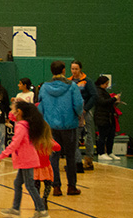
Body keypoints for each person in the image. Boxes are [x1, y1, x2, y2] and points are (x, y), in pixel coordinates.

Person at [0, 101, 53, 218]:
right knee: (18, 183)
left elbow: (15, 143)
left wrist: (2, 155)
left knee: (29, 185)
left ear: (20, 112)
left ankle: (42, 211)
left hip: (26, 160)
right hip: (24, 160)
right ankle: (15, 209)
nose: (12, 112)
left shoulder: (21, 126)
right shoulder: (24, 123)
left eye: (14, 110)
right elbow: (11, 116)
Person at [39, 61, 84, 197]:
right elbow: (78, 104)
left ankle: (56, 187)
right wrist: (77, 116)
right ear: (64, 71)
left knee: (53, 157)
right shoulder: (72, 86)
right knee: (70, 157)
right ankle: (71, 186)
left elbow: (40, 106)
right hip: (69, 125)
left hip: (50, 126)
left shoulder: (44, 87)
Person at [70, 60, 97, 170]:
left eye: (76, 69)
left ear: (80, 69)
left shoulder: (87, 81)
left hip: (85, 112)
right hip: (73, 113)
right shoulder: (69, 81)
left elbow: (94, 96)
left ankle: (89, 160)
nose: (74, 71)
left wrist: (86, 109)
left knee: (88, 135)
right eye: (72, 69)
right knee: (74, 136)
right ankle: (76, 160)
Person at [94, 75, 120, 161]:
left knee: (111, 136)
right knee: (102, 136)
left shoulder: (104, 91)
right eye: (105, 84)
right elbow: (102, 102)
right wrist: (113, 99)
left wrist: (115, 102)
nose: (107, 86)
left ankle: (109, 152)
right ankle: (101, 153)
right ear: (101, 83)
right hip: (102, 117)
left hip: (109, 117)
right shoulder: (98, 91)